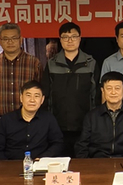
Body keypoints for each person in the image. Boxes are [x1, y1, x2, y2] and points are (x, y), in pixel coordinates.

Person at [42, 22, 99, 157]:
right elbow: (46, 94)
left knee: (83, 162)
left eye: (74, 36)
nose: (70, 40)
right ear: (60, 40)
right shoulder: (52, 64)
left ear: (80, 38)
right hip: (58, 125)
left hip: (85, 125)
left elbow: (96, 95)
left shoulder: (91, 63)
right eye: (65, 37)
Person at [75, 72, 123, 158]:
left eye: (117, 88)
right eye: (109, 88)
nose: (113, 92)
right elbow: (82, 146)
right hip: (99, 161)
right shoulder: (92, 116)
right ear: (103, 90)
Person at [0, 23, 42, 119]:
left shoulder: (33, 63)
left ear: (21, 39)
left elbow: (40, 92)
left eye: (14, 38)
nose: (10, 42)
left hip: (27, 118)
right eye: (5, 39)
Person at [0, 81, 64, 159]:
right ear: (21, 98)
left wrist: (42, 158)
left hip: (40, 163)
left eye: (36, 96)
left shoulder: (48, 118)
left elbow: (58, 144)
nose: (32, 100)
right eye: (28, 95)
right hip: (12, 163)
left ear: (42, 100)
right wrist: (8, 164)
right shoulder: (6, 119)